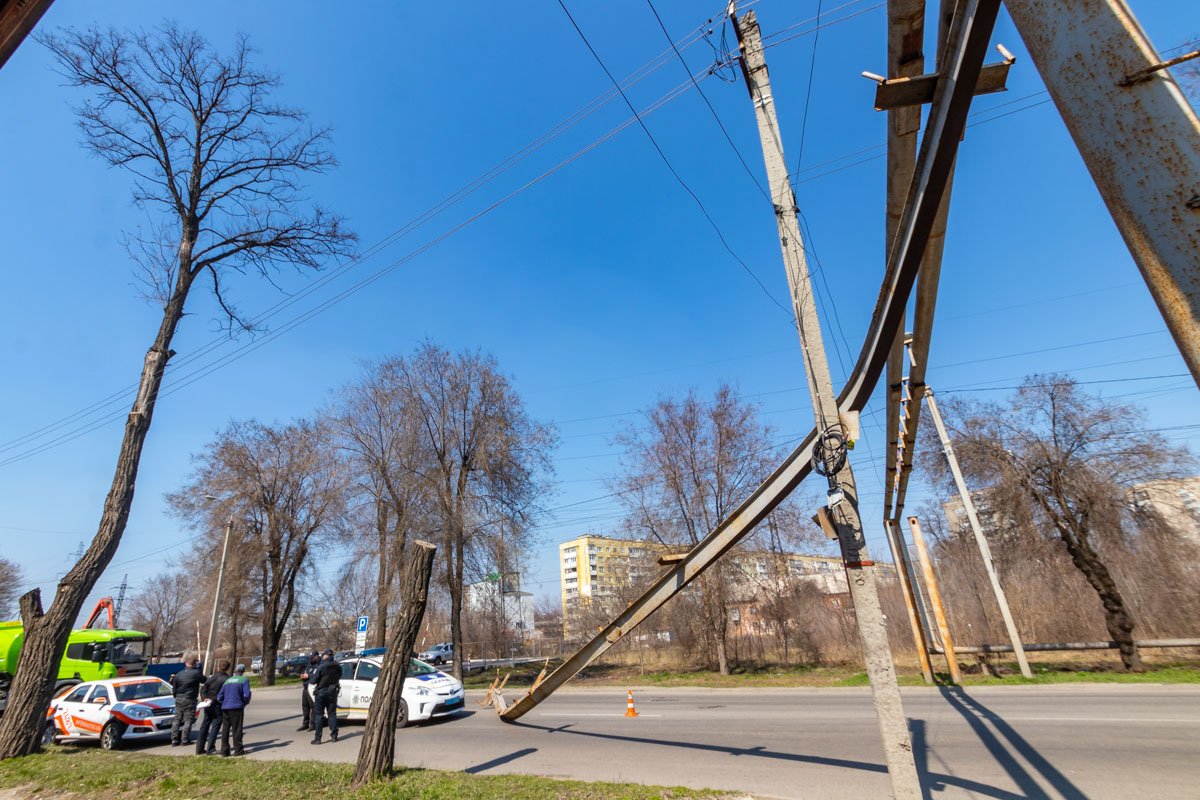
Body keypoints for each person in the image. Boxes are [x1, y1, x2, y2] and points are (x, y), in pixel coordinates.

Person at [194, 659, 230, 755]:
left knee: (204, 726)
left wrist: (204, 698)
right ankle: (210, 748)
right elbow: (226, 693)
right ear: (228, 668)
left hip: (208, 703)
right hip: (217, 704)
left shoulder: (211, 677)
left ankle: (199, 749)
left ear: (219, 667)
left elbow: (203, 688)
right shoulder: (227, 679)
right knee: (215, 726)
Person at [216, 663, 252, 757]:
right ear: (243, 671)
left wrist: (224, 703)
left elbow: (219, 696)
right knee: (236, 729)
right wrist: (244, 703)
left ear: (235, 671)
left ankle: (224, 751)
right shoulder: (244, 680)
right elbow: (247, 695)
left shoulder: (228, 680)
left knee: (225, 730)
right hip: (237, 707)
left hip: (225, 708)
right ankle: (238, 750)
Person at [170, 655, 204, 746]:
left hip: (179, 698)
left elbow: (174, 688)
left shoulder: (179, 674)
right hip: (190, 698)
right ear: (195, 664)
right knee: (188, 720)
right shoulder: (196, 673)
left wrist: (176, 696)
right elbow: (204, 680)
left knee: (177, 719)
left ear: (186, 663)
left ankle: (174, 739)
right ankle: (184, 740)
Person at [309, 649, 340, 744]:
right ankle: (334, 736)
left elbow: (313, 681)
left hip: (322, 692)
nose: (322, 657)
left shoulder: (321, 667)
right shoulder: (337, 665)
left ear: (326, 656)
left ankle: (318, 739)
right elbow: (339, 676)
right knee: (332, 714)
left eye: (324, 655)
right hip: (333, 691)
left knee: (318, 715)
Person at [297, 651, 320, 731]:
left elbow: (317, 675)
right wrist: (302, 675)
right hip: (306, 687)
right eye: (311, 657)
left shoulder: (319, 665)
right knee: (305, 706)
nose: (312, 658)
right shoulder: (309, 664)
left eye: (313, 657)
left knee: (313, 706)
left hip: (312, 688)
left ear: (317, 656)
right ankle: (305, 723)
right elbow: (305, 671)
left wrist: (308, 676)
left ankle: (312, 724)